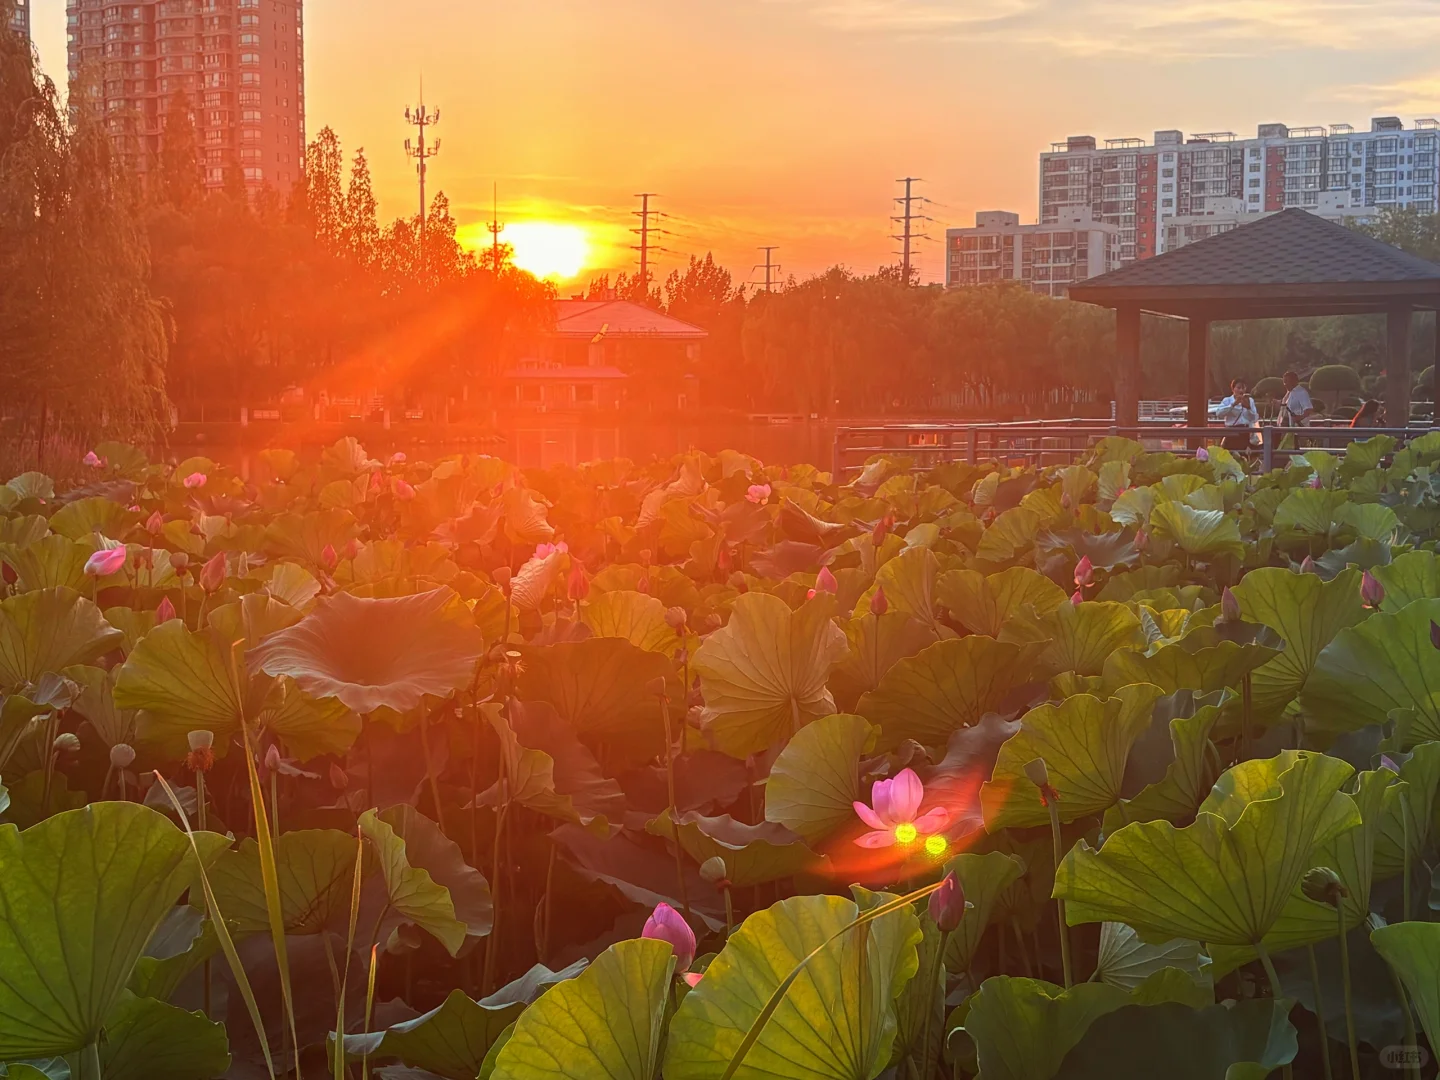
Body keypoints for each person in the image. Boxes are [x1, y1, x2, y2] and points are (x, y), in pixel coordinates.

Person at [1218, 378, 1259, 452]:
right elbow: (1219, 414)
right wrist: (1233, 405)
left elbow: (1254, 419)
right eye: (1238, 388)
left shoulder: (1250, 400)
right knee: (1230, 455)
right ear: (1233, 389)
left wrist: (1248, 408)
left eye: (1243, 388)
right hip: (1231, 432)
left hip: (1245, 432)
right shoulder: (1227, 400)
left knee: (1244, 456)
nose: (1241, 390)